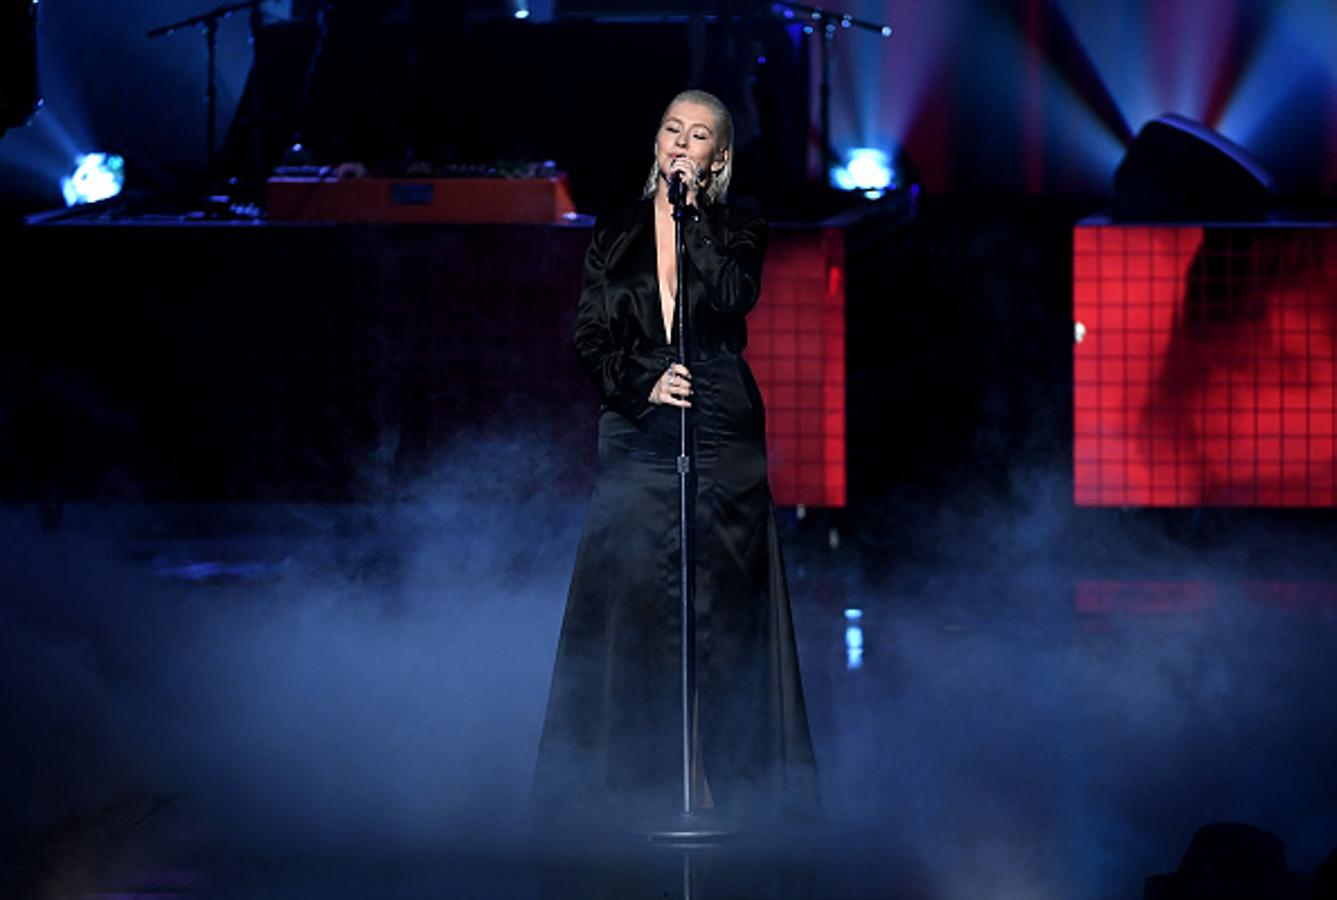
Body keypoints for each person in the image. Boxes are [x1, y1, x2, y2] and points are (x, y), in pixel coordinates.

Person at [531, 89, 819, 831]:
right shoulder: (615, 232)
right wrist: (643, 381)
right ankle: (629, 779)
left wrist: (690, 223)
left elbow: (732, 295)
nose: (678, 145)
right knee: (633, 600)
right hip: (637, 428)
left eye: (696, 137)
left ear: (716, 157)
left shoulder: (738, 227)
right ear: (655, 141)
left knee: (716, 607)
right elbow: (589, 338)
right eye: (669, 130)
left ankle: (718, 778)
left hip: (719, 428)